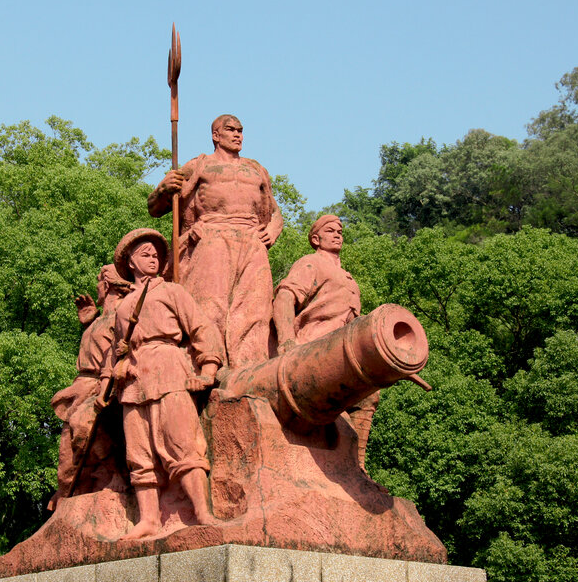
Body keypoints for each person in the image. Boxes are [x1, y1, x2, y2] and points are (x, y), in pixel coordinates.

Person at [99, 228, 222, 540]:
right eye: (145, 254)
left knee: (182, 442)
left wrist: (207, 369)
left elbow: (201, 328)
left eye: (156, 255)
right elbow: (116, 350)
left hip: (168, 368)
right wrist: (118, 368)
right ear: (130, 261)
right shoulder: (123, 307)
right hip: (133, 380)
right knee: (139, 453)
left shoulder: (172, 292)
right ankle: (149, 520)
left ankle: (202, 512)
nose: (152, 259)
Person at [147, 114, 283, 368]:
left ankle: (249, 369)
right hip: (212, 236)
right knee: (210, 305)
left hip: (252, 240)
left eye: (241, 130)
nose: (238, 134)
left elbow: (275, 212)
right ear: (215, 135)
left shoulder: (256, 169)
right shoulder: (200, 164)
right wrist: (163, 188)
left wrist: (274, 228)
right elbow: (155, 207)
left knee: (256, 309)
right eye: (231, 129)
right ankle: (209, 365)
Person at [272, 214, 380, 472]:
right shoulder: (311, 263)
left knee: (369, 393)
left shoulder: (349, 279)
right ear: (315, 239)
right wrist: (287, 340)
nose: (337, 234)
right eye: (330, 230)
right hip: (314, 347)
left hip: (343, 351)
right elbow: (285, 297)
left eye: (340, 231)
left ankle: (358, 467)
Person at [48, 264, 129, 510]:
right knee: (66, 457)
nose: (97, 288)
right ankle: (69, 497)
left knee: (85, 427)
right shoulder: (100, 318)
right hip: (80, 386)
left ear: (107, 285)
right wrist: (90, 322)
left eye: (99, 283)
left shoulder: (122, 314)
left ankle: (118, 474)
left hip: (102, 384)